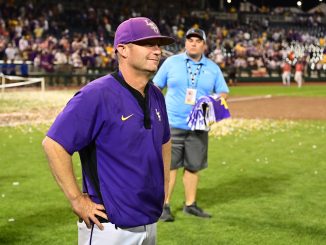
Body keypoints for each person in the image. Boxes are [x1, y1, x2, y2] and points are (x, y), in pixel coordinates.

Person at [42, 17, 174, 245]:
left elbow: (164, 143)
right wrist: (77, 200)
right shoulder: (97, 94)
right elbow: (54, 144)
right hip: (109, 227)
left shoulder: (156, 95)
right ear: (122, 50)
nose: (157, 50)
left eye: (158, 45)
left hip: (149, 220)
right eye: (148, 44)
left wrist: (162, 191)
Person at [153, 28, 229, 222]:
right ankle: (164, 206)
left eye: (198, 40)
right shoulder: (171, 62)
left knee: (193, 166)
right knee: (169, 167)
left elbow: (222, 92)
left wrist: (211, 105)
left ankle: (190, 205)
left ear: (204, 45)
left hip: (199, 126)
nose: (193, 43)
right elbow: (155, 87)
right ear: (185, 43)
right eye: (190, 40)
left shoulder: (213, 68)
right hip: (172, 123)